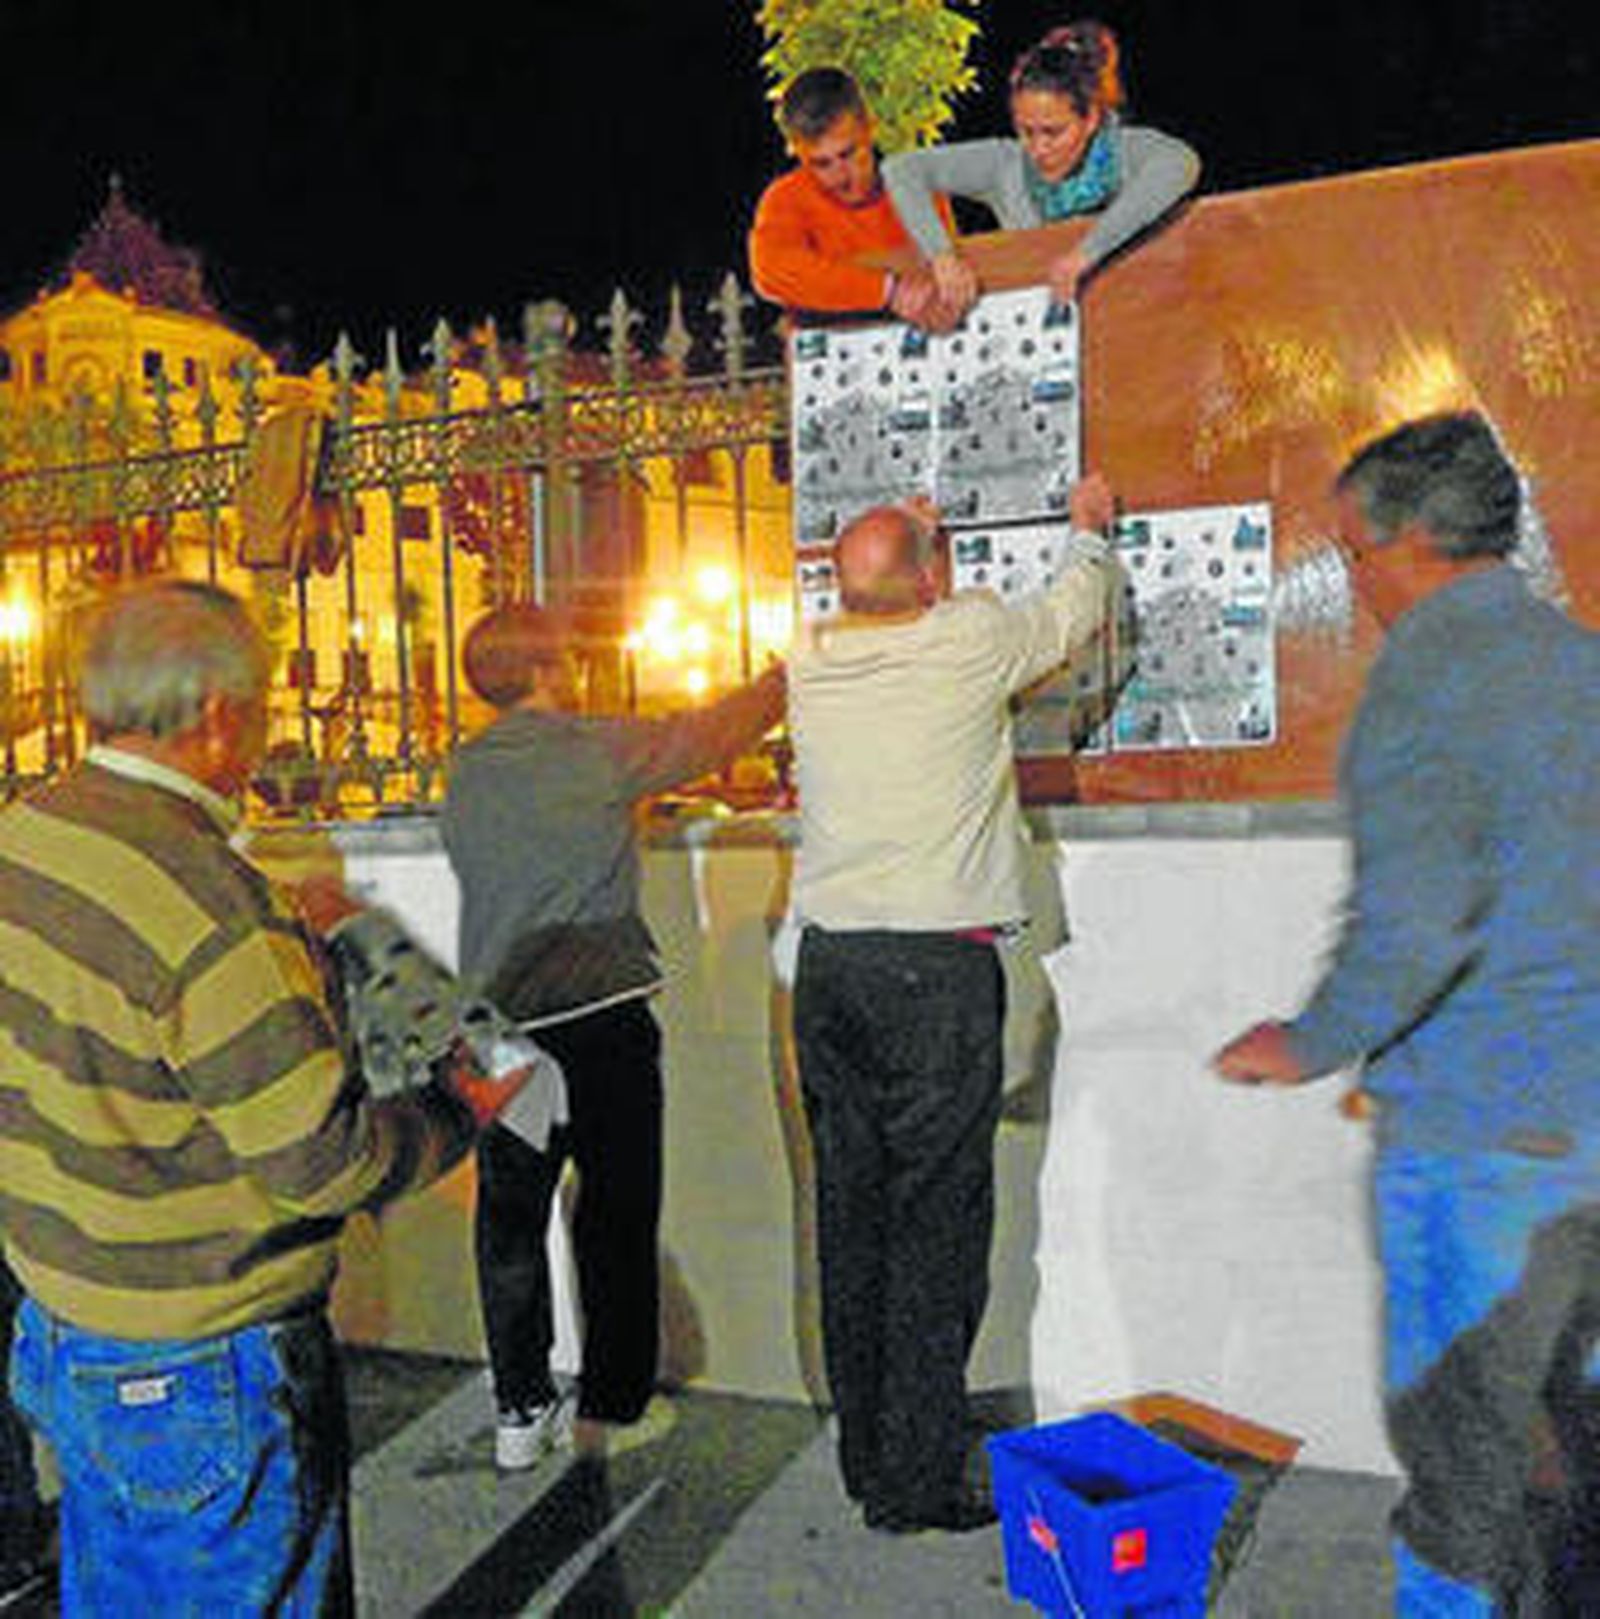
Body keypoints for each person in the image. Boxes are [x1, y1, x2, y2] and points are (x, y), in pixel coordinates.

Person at [0, 580, 529, 1616]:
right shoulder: (213, 910)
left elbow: (106, 1000)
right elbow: (318, 1163)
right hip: (205, 1355)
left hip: (67, 1317)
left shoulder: (34, 830)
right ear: (211, 712)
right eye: (263, 701)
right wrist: (458, 1110)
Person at [1212, 412, 1600, 1614]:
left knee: (1460, 1468)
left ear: (1415, 543)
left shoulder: (1425, 681)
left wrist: (1312, 1037)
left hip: (1480, 1142)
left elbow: (1420, 916)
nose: (1355, 580)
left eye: (1355, 553)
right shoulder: (1581, 661)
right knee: (1578, 1455)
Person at [787, 479, 1122, 1533]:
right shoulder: (970, 638)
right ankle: (916, 1477)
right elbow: (1074, 608)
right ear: (933, 578)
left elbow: (888, 591)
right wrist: (1087, 528)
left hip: (830, 969)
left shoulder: (809, 654)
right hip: (936, 974)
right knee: (935, 1227)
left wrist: (912, 538)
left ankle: (865, 1451)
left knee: (851, 1217)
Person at [441, 606, 785, 1467]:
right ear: (553, 666)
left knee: (510, 1216)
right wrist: (785, 676)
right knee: (616, 1213)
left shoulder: (465, 770)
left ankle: (519, 1408)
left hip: (496, 1023)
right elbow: (710, 735)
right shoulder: (593, 749)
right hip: (598, 1013)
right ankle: (611, 1404)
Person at [883, 18, 1199, 311]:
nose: (1038, 148)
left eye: (1053, 132)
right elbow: (900, 169)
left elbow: (1180, 164)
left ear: (1090, 118)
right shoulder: (1005, 165)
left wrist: (1086, 253)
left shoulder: (1123, 150)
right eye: (1026, 131)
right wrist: (941, 255)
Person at [748, 65, 964, 329]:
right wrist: (886, 291)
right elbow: (771, 270)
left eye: (848, 154)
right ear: (798, 151)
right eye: (821, 164)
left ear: (869, 126)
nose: (840, 176)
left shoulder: (918, 188)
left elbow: (947, 275)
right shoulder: (786, 198)